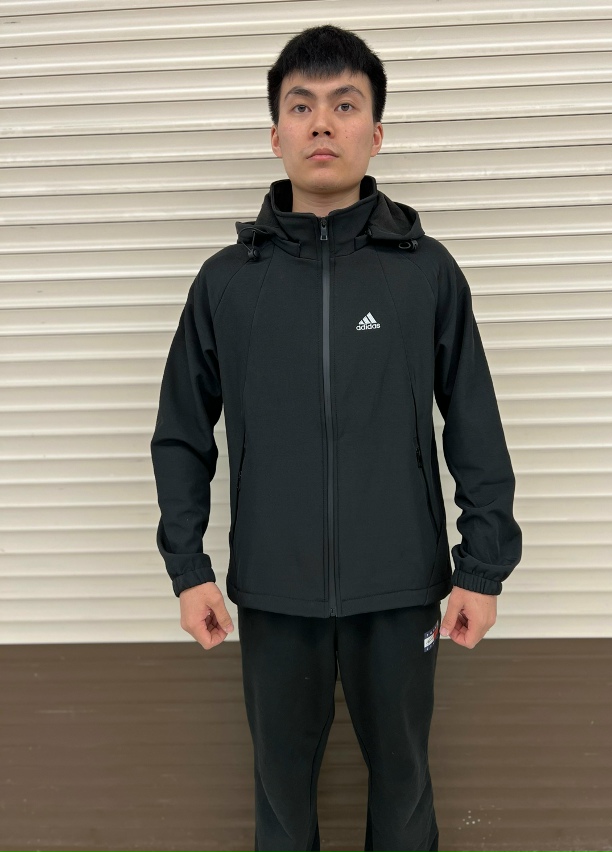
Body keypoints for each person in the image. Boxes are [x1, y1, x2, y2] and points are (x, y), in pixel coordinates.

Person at [150, 24, 522, 852]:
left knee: (405, 786)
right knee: (281, 798)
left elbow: (474, 421)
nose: (322, 123)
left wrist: (483, 567)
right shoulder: (225, 283)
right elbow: (181, 433)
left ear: (375, 133)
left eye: (345, 105)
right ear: (275, 133)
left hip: (402, 588)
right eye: (302, 106)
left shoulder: (425, 272)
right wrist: (188, 567)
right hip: (274, 593)